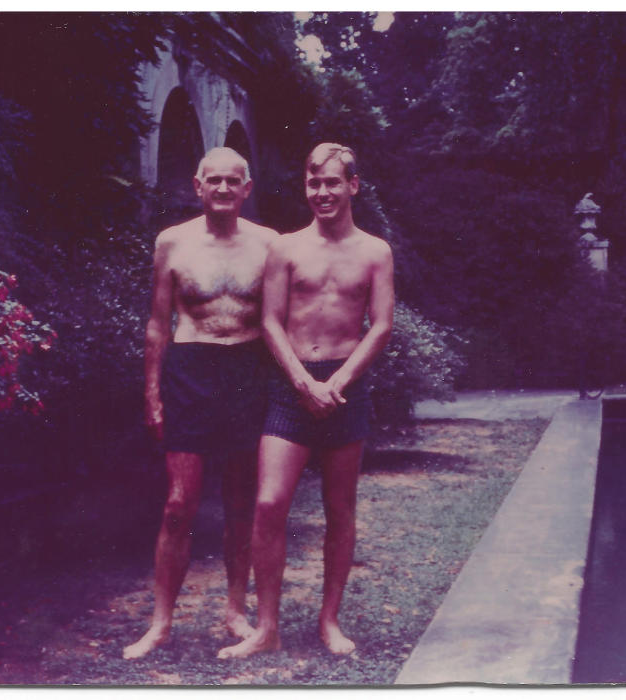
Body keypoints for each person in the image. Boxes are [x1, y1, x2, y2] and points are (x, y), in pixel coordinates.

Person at [218, 143, 394, 658]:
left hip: (346, 385)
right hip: (291, 386)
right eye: (314, 183)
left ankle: (329, 621)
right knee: (269, 503)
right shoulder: (287, 248)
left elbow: (381, 324)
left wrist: (338, 380)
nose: (322, 192)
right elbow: (270, 320)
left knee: (340, 508)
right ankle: (267, 627)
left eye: (333, 183)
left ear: (353, 186)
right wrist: (301, 382)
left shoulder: (375, 251)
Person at [123, 147, 278, 660]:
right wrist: (152, 393)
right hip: (189, 372)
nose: (224, 189)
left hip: (248, 370)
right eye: (214, 181)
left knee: (241, 502)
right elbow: (156, 323)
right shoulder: (172, 242)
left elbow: (280, 320)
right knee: (177, 504)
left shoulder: (269, 245)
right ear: (197, 185)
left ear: (247, 188)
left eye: (234, 181)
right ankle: (161, 623)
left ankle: (235, 609)